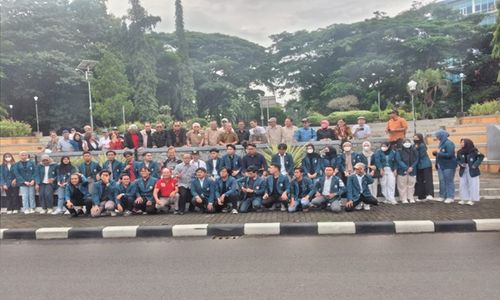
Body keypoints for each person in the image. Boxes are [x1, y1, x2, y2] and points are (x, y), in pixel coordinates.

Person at [433, 129, 457, 204]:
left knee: (448, 181)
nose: (436, 137)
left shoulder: (449, 143)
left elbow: (450, 154)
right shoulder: (441, 143)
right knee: (442, 181)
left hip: (448, 165)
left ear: (441, 135)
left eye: (437, 135)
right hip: (441, 165)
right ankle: (442, 196)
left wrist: (439, 154)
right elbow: (439, 154)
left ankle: (450, 197)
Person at [457, 138, 484, 206]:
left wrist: (475, 164)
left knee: (473, 184)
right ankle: (464, 199)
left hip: (472, 169)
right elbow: (457, 159)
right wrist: (461, 164)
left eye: (463, 142)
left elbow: (481, 156)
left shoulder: (474, 150)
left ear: (467, 143)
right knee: (463, 184)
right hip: (463, 169)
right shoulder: (459, 151)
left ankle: (471, 199)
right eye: (461, 142)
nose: (461, 144)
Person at [395, 138, 419, 204]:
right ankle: (403, 198)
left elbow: (417, 159)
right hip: (402, 170)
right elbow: (398, 160)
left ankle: (410, 197)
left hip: (412, 170)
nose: (407, 143)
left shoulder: (414, 150)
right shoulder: (399, 151)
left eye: (408, 142)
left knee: (411, 185)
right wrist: (406, 168)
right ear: (402, 144)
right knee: (402, 185)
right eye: (405, 142)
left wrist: (412, 167)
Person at [413, 133, 434, 202]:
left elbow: (420, 155)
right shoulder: (414, 145)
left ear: (420, 138)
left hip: (425, 165)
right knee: (420, 181)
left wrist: (416, 149)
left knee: (428, 180)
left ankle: (430, 194)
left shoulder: (422, 145)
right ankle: (421, 196)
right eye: (414, 138)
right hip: (418, 166)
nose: (415, 139)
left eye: (416, 138)